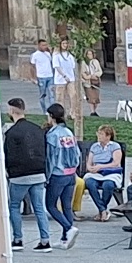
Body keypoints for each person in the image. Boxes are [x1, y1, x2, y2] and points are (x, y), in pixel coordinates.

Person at [2, 99, 51, 252]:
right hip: (38, 172)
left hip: (19, 175)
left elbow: (9, 154)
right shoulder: (37, 129)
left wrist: (9, 172)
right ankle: (45, 240)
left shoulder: (11, 132)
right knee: (39, 208)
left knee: (14, 206)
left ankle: (18, 239)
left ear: (11, 111)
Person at [42, 104, 80, 250]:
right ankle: (65, 239)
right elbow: (77, 153)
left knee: (50, 205)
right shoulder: (68, 132)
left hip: (58, 174)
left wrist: (47, 176)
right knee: (66, 206)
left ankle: (68, 228)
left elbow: (51, 158)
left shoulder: (52, 135)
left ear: (51, 116)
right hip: (71, 173)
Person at [82, 125, 123, 222]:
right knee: (90, 183)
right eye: (98, 133)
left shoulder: (115, 146)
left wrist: (100, 166)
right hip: (96, 173)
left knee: (108, 185)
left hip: (110, 173)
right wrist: (90, 168)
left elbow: (116, 163)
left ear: (108, 136)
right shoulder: (94, 146)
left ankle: (102, 210)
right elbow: (89, 162)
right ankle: (103, 210)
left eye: (101, 134)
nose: (99, 136)